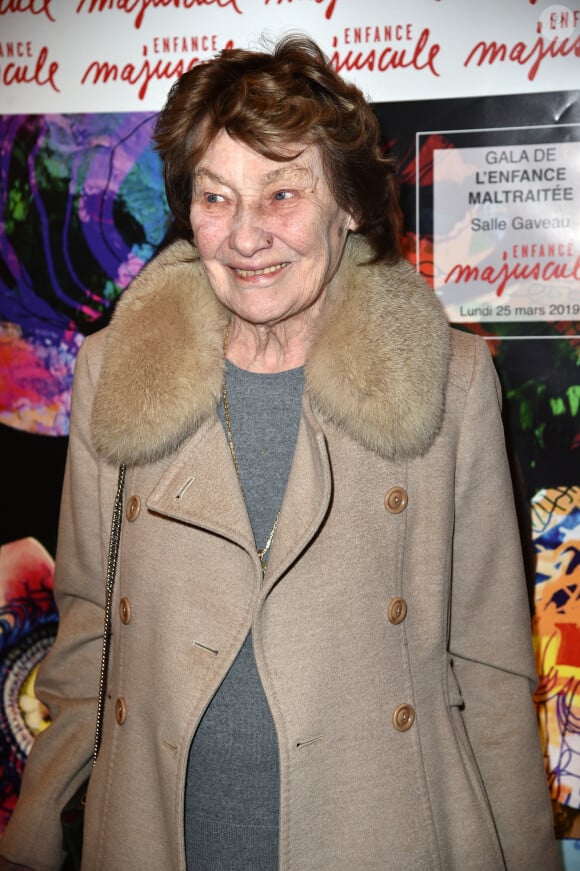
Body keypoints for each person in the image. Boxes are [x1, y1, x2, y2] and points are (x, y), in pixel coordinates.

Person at [0, 34, 558, 871]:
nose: (246, 236)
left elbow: (489, 666)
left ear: (350, 208)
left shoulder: (451, 380)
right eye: (216, 197)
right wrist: (34, 832)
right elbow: (86, 636)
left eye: (282, 193)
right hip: (158, 836)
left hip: (381, 829)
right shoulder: (118, 370)